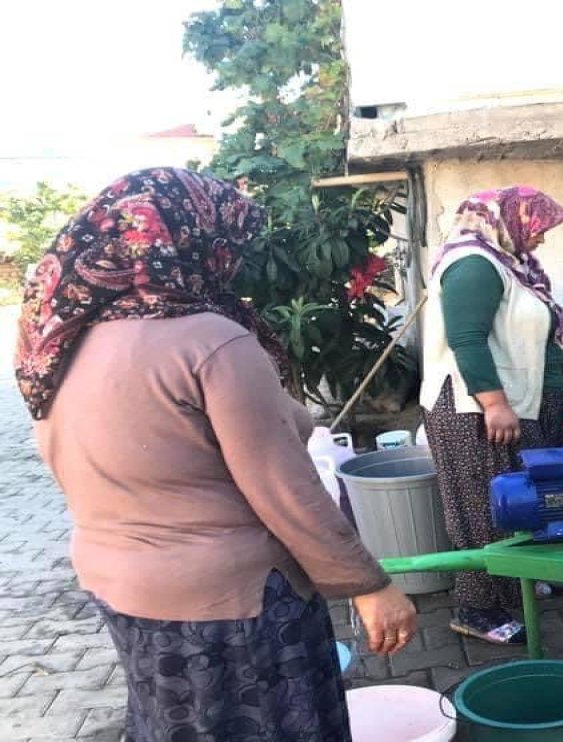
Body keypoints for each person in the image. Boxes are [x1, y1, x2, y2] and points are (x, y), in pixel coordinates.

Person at [16, 168, 417, 741]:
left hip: (121, 588)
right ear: (195, 239)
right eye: (231, 242)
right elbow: (284, 489)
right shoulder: (209, 340)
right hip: (233, 602)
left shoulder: (57, 341)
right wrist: (368, 585)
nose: (236, 258)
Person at [421, 186, 563, 645]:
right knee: (483, 508)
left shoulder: (512, 266)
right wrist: (495, 403)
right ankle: (476, 608)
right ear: (508, 219)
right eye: (539, 228)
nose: (542, 239)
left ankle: (514, 582)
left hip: (518, 405)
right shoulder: (474, 264)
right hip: (478, 411)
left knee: (523, 501)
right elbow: (467, 338)